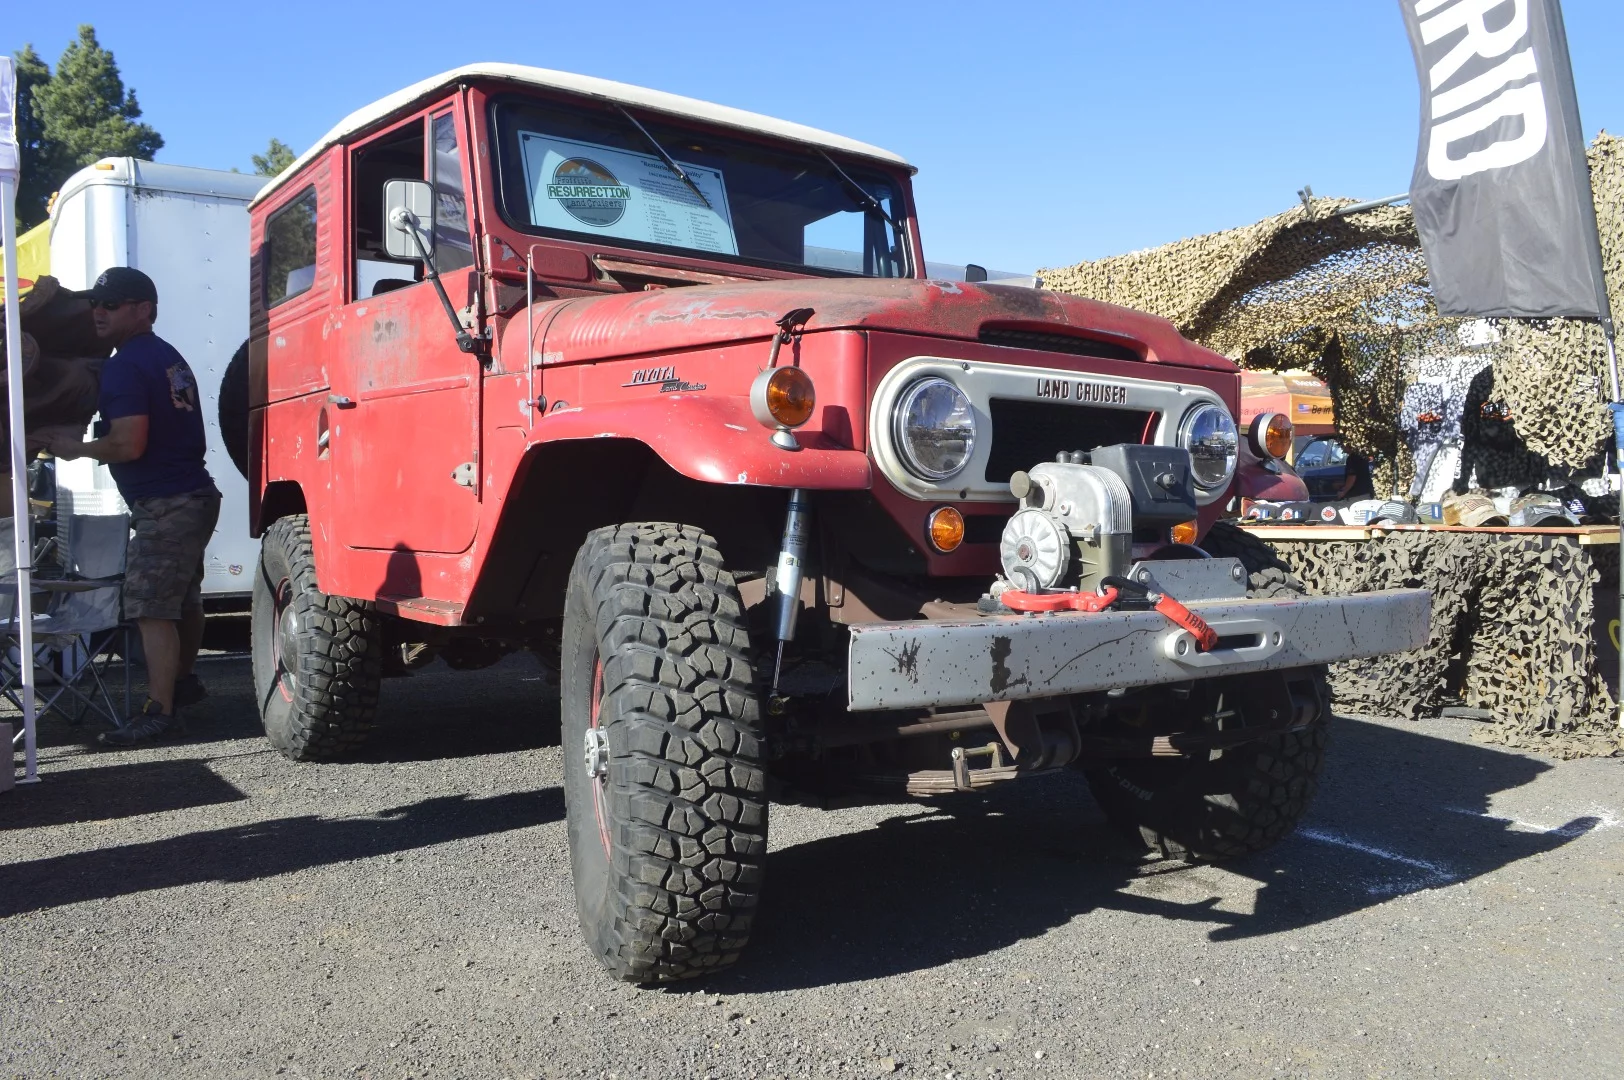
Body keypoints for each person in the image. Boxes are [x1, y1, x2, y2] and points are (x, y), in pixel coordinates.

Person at [48, 268, 220, 746]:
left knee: (149, 607)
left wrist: (75, 447)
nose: (98, 312)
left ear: (143, 309)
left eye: (111, 304)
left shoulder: (126, 364)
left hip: (167, 503)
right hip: (193, 495)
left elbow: (128, 444)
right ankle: (181, 685)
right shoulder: (166, 356)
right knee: (183, 600)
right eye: (95, 303)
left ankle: (158, 711)